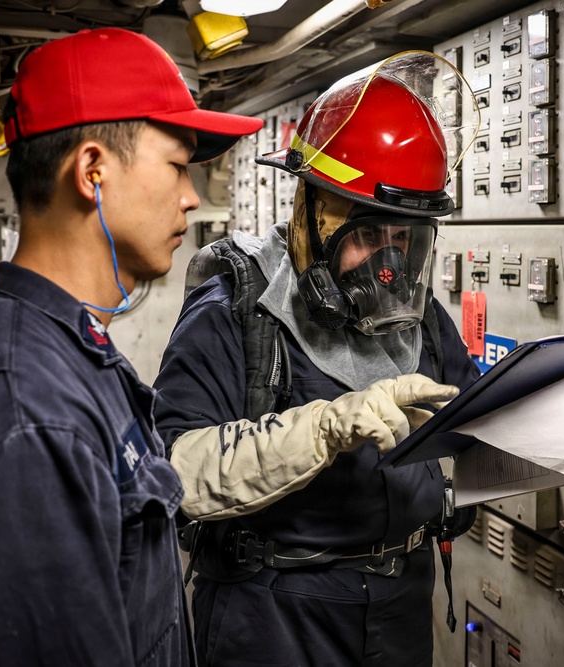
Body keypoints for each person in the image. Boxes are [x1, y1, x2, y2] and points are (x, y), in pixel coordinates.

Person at [0, 28, 263, 667]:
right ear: (92, 170)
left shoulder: (72, 354)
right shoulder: (24, 418)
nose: (191, 198)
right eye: (178, 167)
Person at [153, 51, 482, 666]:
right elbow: (175, 471)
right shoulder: (237, 307)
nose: (388, 264)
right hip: (274, 615)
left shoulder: (421, 316)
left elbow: (472, 417)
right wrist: (325, 429)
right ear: (309, 212)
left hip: (399, 608)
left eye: (404, 239)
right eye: (365, 235)